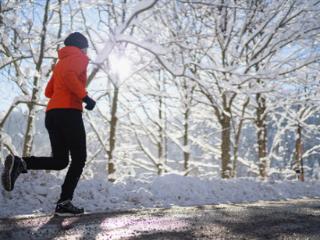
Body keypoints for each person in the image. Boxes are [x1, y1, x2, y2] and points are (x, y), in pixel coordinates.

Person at [1, 32, 96, 216]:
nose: (86, 50)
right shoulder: (79, 58)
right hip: (69, 113)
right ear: (81, 46)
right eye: (86, 47)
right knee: (79, 158)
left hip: (52, 114)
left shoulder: (60, 63)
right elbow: (69, 76)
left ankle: (22, 163)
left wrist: (68, 93)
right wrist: (85, 97)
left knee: (60, 161)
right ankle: (64, 202)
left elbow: (48, 91)